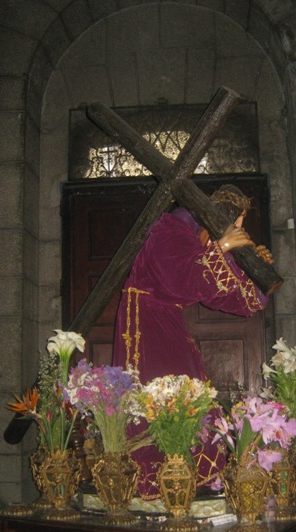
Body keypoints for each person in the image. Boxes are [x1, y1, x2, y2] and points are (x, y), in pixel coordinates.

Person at [112, 184, 272, 499]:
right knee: (154, 395)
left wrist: (257, 270)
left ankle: (187, 479)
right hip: (143, 324)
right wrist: (223, 247)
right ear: (215, 217)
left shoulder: (201, 241)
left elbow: (227, 295)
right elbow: (181, 280)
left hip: (168, 320)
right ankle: (153, 482)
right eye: (235, 222)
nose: (239, 229)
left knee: (188, 393)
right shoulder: (169, 228)